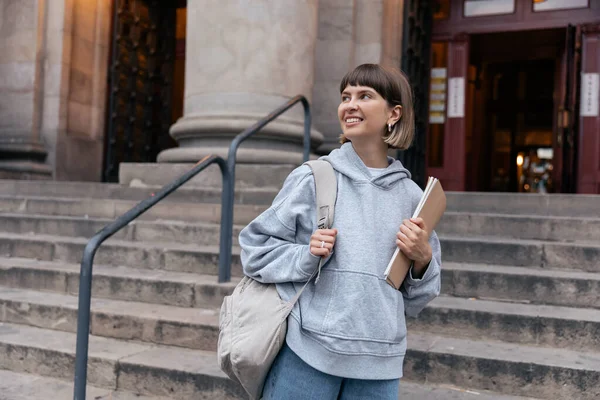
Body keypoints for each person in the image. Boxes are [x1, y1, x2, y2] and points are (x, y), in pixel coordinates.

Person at [238, 63, 442, 399]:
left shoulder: (413, 198)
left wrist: (422, 259)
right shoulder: (314, 177)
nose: (350, 104)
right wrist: (306, 254)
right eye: (346, 96)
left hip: (380, 367)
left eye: (365, 95)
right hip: (308, 355)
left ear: (394, 113)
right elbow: (254, 248)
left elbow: (420, 297)